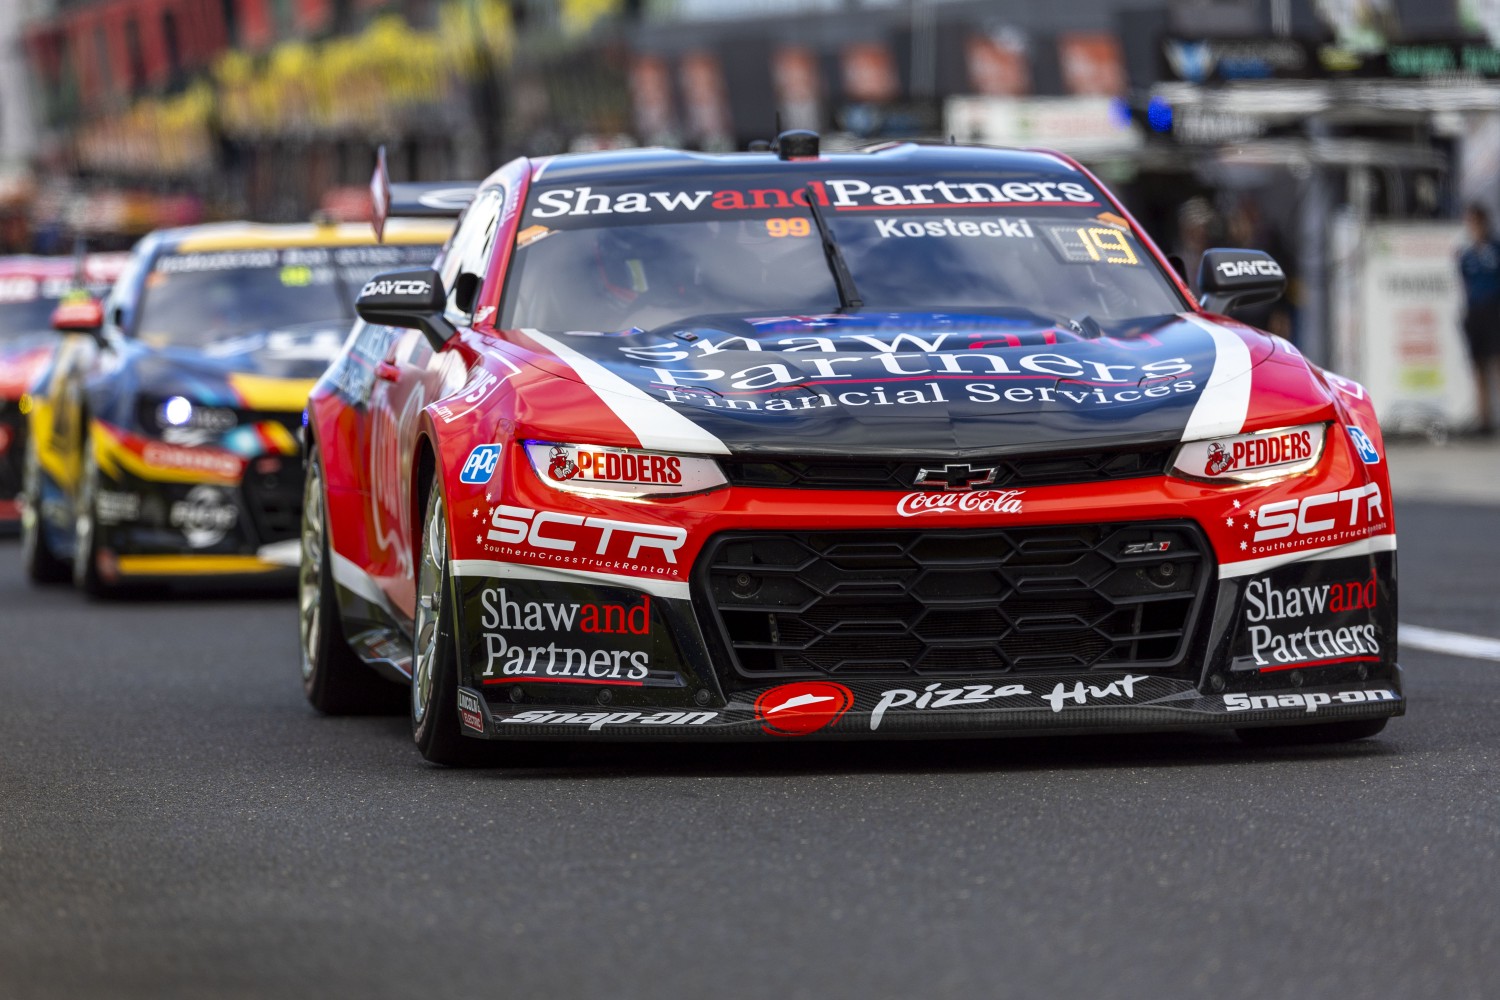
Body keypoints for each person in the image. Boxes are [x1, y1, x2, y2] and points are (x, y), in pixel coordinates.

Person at [1457, 203, 1500, 435]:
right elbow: (1464, 283)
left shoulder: (1495, 249)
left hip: (1494, 311)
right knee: (1478, 367)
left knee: (1497, 365)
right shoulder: (1466, 255)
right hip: (1476, 313)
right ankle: (1484, 420)